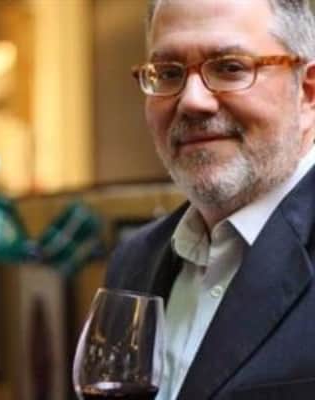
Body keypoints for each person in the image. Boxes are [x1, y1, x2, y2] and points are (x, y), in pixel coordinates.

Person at [105, 0, 315, 399]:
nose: (192, 101)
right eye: (169, 73)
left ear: (306, 92)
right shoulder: (133, 262)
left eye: (230, 67)